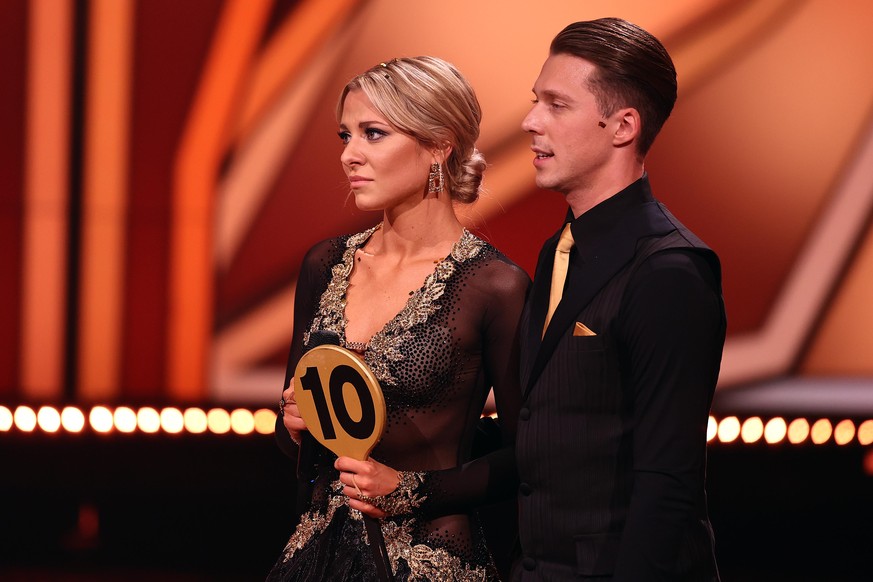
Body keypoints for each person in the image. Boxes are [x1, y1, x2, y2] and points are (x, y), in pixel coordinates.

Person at [266, 56, 530, 581]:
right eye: (345, 135)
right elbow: (291, 433)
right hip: (316, 556)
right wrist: (294, 427)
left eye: (373, 134)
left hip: (428, 561)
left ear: (439, 144)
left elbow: (528, 456)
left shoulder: (494, 286)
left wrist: (408, 489)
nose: (349, 155)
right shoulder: (325, 263)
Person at [513, 18, 725, 581]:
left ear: (623, 126)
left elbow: (668, 481)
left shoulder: (670, 271)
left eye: (556, 105)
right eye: (536, 101)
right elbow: (545, 427)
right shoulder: (555, 251)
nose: (530, 121)